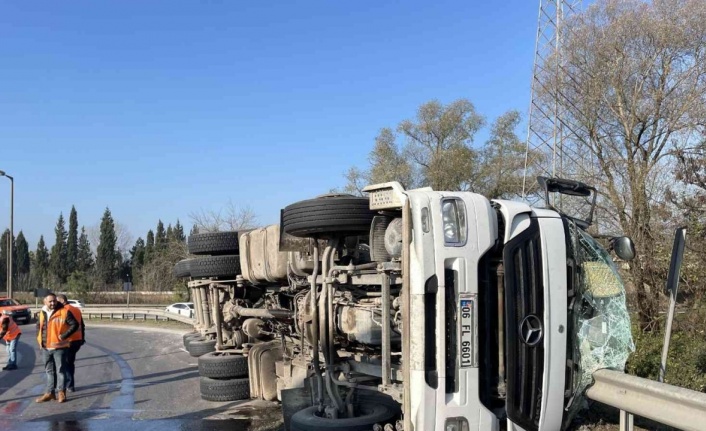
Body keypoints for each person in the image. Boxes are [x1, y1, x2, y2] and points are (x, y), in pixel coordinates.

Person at [35, 293, 79, 404]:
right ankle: (50, 393)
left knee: (60, 371)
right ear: (45, 301)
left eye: (54, 301)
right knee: (49, 371)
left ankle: (61, 393)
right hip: (46, 347)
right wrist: (39, 339)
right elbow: (39, 326)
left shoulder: (64, 311)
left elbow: (75, 324)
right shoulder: (42, 312)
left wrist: (64, 336)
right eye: (50, 301)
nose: (53, 303)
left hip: (60, 347)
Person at [56, 294, 85, 392]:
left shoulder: (63, 311)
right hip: (77, 339)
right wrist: (82, 338)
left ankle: (69, 384)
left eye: (57, 301)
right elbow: (82, 325)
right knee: (70, 363)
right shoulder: (76, 309)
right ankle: (69, 384)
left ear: (62, 301)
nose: (55, 303)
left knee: (65, 364)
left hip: (68, 340)